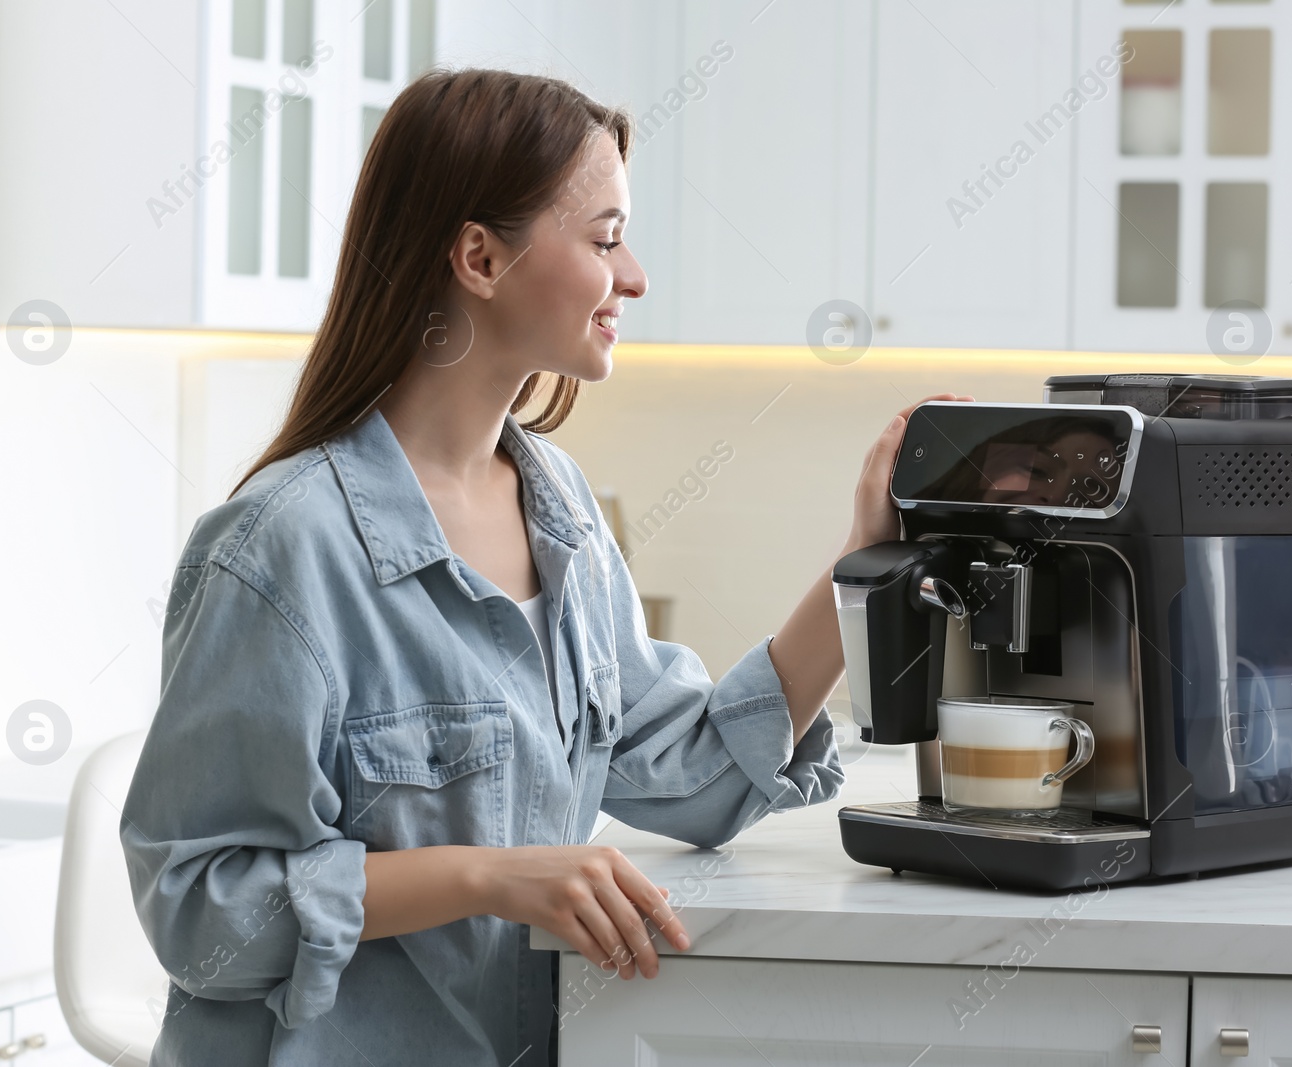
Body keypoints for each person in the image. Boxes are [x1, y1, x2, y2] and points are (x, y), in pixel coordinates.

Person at [120, 67, 961, 1066]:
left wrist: (860, 558)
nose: (634, 277)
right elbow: (200, 922)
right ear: (478, 256)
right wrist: (484, 875)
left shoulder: (556, 505)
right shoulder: (279, 549)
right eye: (606, 239)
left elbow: (687, 770)